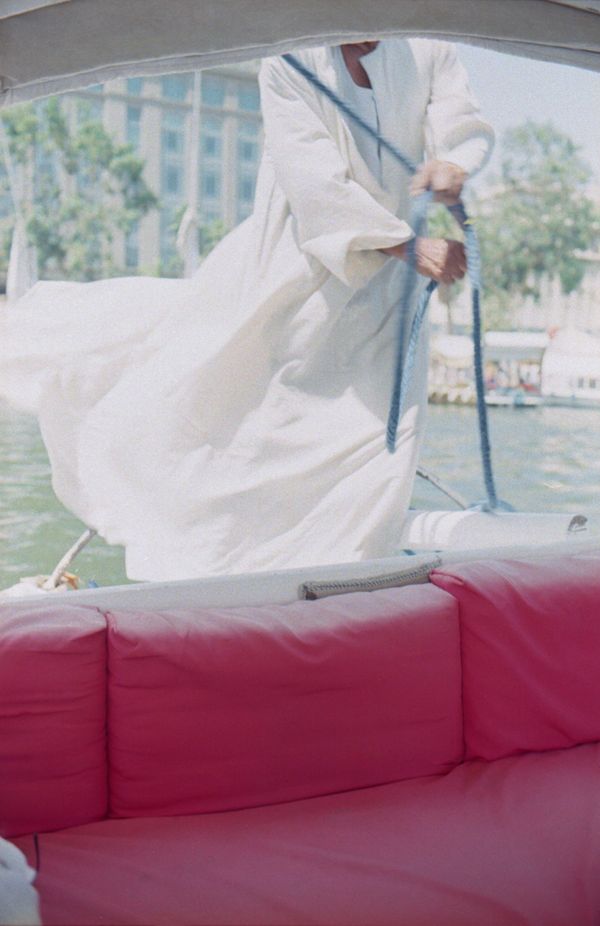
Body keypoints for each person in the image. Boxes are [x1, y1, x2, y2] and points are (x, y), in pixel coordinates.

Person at [0, 38, 493, 581]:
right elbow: (313, 181)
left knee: (376, 450)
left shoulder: (428, 48)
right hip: (295, 267)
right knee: (224, 403)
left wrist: (453, 164)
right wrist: (407, 245)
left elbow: (459, 121)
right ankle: (232, 570)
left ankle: (339, 587)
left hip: (385, 297)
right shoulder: (288, 59)